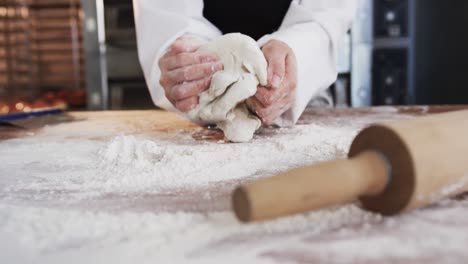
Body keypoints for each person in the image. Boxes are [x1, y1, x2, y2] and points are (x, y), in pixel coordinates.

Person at [133, 0, 358, 126]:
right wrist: (187, 61)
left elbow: (329, 11)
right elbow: (167, 14)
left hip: (303, 104)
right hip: (198, 112)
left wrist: (296, 52)